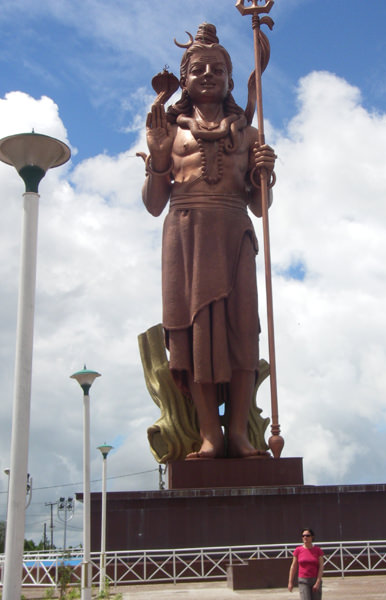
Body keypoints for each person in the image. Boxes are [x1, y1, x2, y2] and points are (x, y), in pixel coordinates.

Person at [142, 23, 276, 459]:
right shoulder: (172, 132)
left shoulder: (249, 135)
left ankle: (237, 431)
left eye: (216, 68)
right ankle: (209, 435)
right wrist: (158, 161)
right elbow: (153, 204)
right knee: (195, 335)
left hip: (234, 231)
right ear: (184, 79)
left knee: (243, 331)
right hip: (185, 233)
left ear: (230, 79)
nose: (206, 74)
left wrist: (264, 173)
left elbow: (260, 207)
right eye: (197, 68)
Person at [288, 528, 324, 600]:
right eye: (303, 536)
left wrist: (318, 582)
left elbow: (321, 567)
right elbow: (293, 566)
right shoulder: (298, 550)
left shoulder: (318, 550)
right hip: (303, 581)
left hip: (315, 580)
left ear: (312, 537)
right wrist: (290, 582)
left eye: (307, 535)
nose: (305, 537)